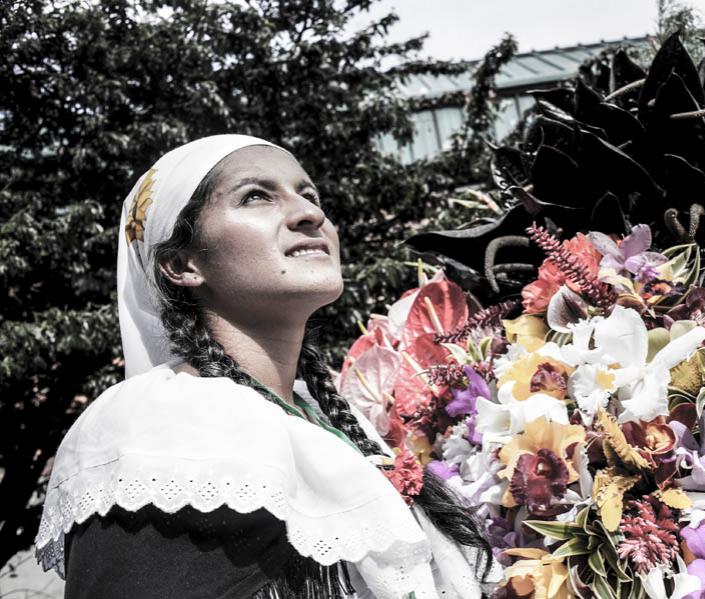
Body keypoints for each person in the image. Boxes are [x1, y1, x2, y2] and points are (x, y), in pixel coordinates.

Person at [33, 135, 502, 598]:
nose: (310, 214)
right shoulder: (156, 430)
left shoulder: (334, 423)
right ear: (182, 264)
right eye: (256, 196)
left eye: (310, 195)